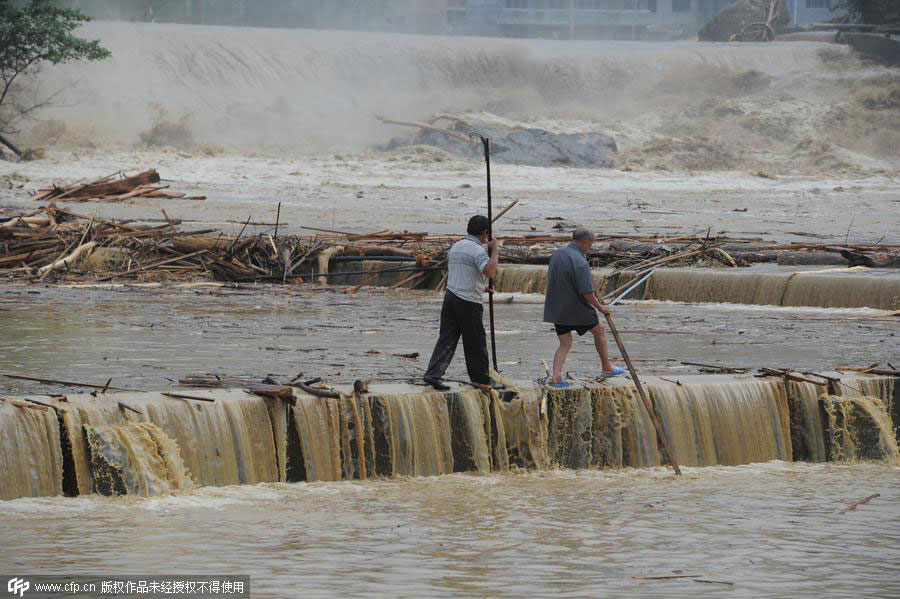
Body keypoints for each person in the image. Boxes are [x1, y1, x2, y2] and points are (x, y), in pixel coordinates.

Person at [424, 215, 504, 392]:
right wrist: (495, 249)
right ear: (485, 233)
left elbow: (463, 276)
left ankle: (433, 374)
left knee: (447, 339)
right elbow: (490, 271)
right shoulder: (477, 250)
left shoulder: (456, 247)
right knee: (475, 341)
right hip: (468, 303)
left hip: (451, 297)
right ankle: (481, 378)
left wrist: (481, 289)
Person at [543, 227, 625, 387]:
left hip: (558, 308)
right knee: (599, 330)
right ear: (585, 242)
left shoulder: (557, 254)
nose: (590, 247)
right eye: (590, 244)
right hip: (576, 308)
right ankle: (607, 367)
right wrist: (601, 307)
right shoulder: (580, 262)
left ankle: (555, 377)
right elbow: (586, 292)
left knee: (565, 342)